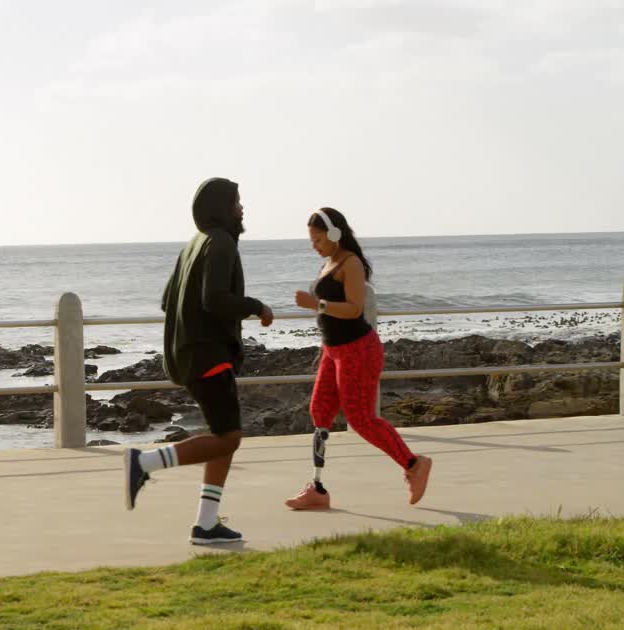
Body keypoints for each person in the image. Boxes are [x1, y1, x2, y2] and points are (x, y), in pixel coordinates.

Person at [124, 177, 273, 545]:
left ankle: (206, 525)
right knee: (230, 437)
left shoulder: (193, 245)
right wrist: (257, 307)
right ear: (223, 208)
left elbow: (166, 301)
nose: (242, 209)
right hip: (209, 355)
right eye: (238, 202)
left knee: (224, 437)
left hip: (189, 352)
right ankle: (143, 464)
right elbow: (214, 299)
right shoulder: (220, 243)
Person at [286, 207, 432, 510]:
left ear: (335, 233)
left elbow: (353, 309)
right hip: (333, 351)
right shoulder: (329, 262)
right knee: (320, 411)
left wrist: (316, 304)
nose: (313, 245)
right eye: (311, 240)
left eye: (317, 239)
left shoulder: (351, 264)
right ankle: (318, 489)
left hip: (358, 351)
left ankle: (414, 464)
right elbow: (331, 313)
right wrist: (324, 345)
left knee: (361, 419)